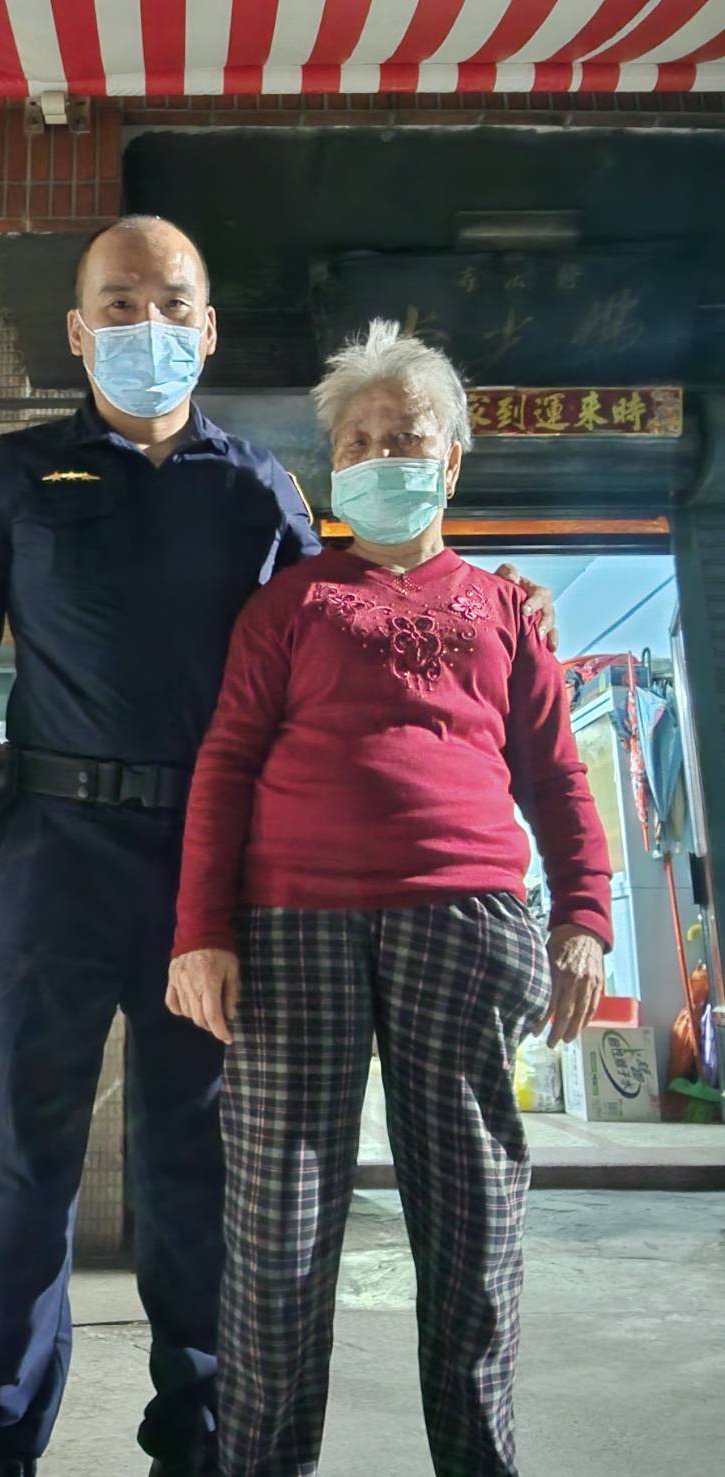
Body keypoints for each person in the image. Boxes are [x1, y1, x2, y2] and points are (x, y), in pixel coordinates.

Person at [0, 221, 556, 1477]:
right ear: (79, 329)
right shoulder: (16, 472)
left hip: (209, 868)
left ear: (206, 330)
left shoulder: (260, 487)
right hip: (51, 850)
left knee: (199, 1171)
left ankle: (201, 1433)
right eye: (118, 302)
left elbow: (347, 615)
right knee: (19, 1163)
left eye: (171, 302)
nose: (145, 324)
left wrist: (496, 595)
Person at [167, 320, 610, 1477]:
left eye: (403, 437)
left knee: (472, 1230)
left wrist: (583, 917)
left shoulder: (506, 611)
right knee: (276, 1240)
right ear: (334, 469)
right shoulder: (289, 606)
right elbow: (223, 768)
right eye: (357, 442)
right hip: (288, 930)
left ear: (449, 460)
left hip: (467, 927)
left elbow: (557, 778)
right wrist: (201, 930)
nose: (378, 456)